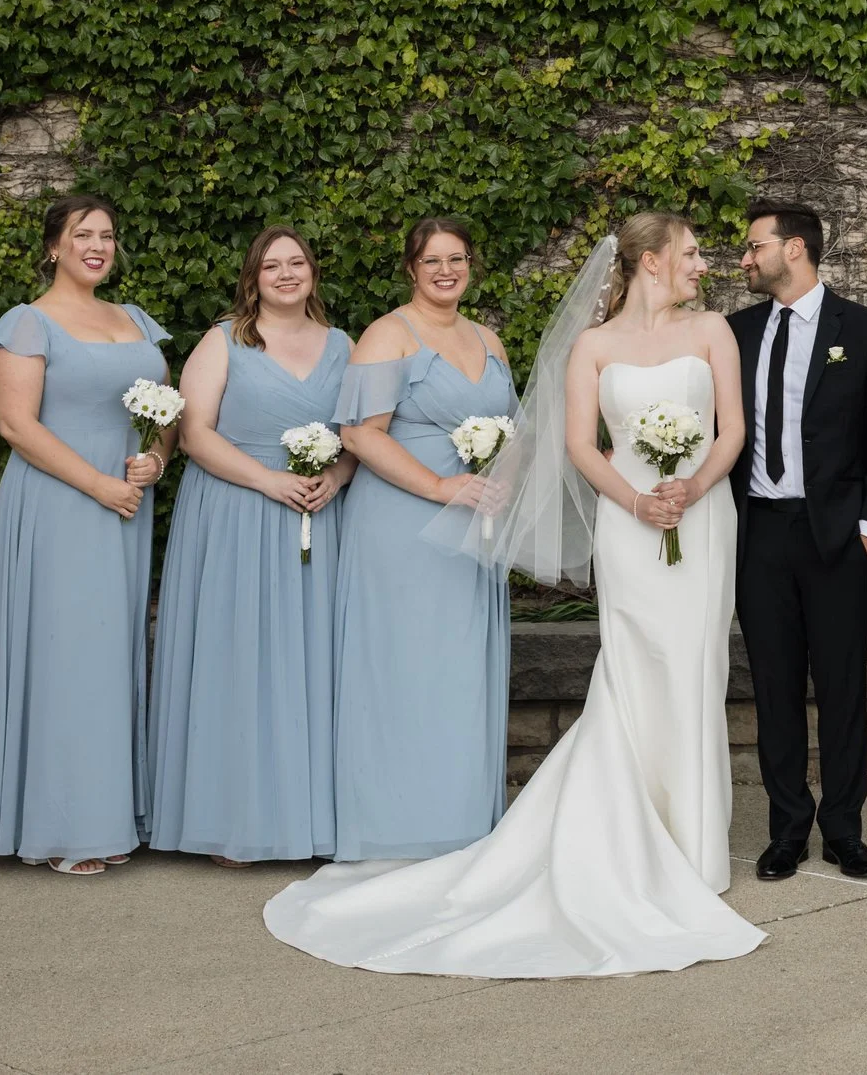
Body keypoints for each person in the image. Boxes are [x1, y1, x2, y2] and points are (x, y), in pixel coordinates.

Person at [265, 210, 766, 977]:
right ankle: (424, 828)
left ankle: (691, 841)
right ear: (653, 261)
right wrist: (634, 501)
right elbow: (562, 441)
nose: (705, 264)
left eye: (457, 257)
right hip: (577, 519)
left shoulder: (695, 332)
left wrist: (692, 484)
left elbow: (719, 431)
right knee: (627, 667)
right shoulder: (552, 344)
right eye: (692, 252)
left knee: (698, 664)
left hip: (696, 516)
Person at [0, 195, 173, 876]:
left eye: (107, 234)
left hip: (126, 505)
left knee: (110, 655)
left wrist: (156, 458)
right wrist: (98, 483)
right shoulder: (27, 321)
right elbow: (17, 424)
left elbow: (169, 411)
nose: (97, 245)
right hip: (59, 502)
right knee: (65, 654)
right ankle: (62, 825)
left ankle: (108, 812)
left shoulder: (134, 320)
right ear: (54, 246)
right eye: (83, 234)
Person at [146, 226, 356, 865]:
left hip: (320, 515)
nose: (287, 274)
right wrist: (270, 481)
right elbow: (194, 434)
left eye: (297, 263)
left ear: (313, 272)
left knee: (315, 662)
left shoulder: (345, 346)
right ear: (253, 277)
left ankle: (312, 819)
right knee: (241, 661)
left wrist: (337, 477)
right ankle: (235, 820)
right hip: (238, 511)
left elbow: (361, 435)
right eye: (273, 266)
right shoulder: (224, 341)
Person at [728, 200, 867, 882]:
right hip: (761, 533)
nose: (744, 258)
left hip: (838, 537)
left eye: (754, 246)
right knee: (773, 687)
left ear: (794, 248)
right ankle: (786, 830)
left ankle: (844, 830)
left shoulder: (863, 329)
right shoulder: (736, 331)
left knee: (841, 688)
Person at [327, 217, 517, 861]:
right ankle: (396, 824)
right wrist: (442, 486)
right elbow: (360, 434)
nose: (446, 269)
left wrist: (504, 479)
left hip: (472, 527)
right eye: (432, 259)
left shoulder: (488, 338)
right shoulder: (388, 335)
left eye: (457, 257)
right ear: (411, 267)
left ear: (471, 265)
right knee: (405, 667)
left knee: (459, 672)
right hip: (402, 525)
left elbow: (511, 428)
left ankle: (461, 820)